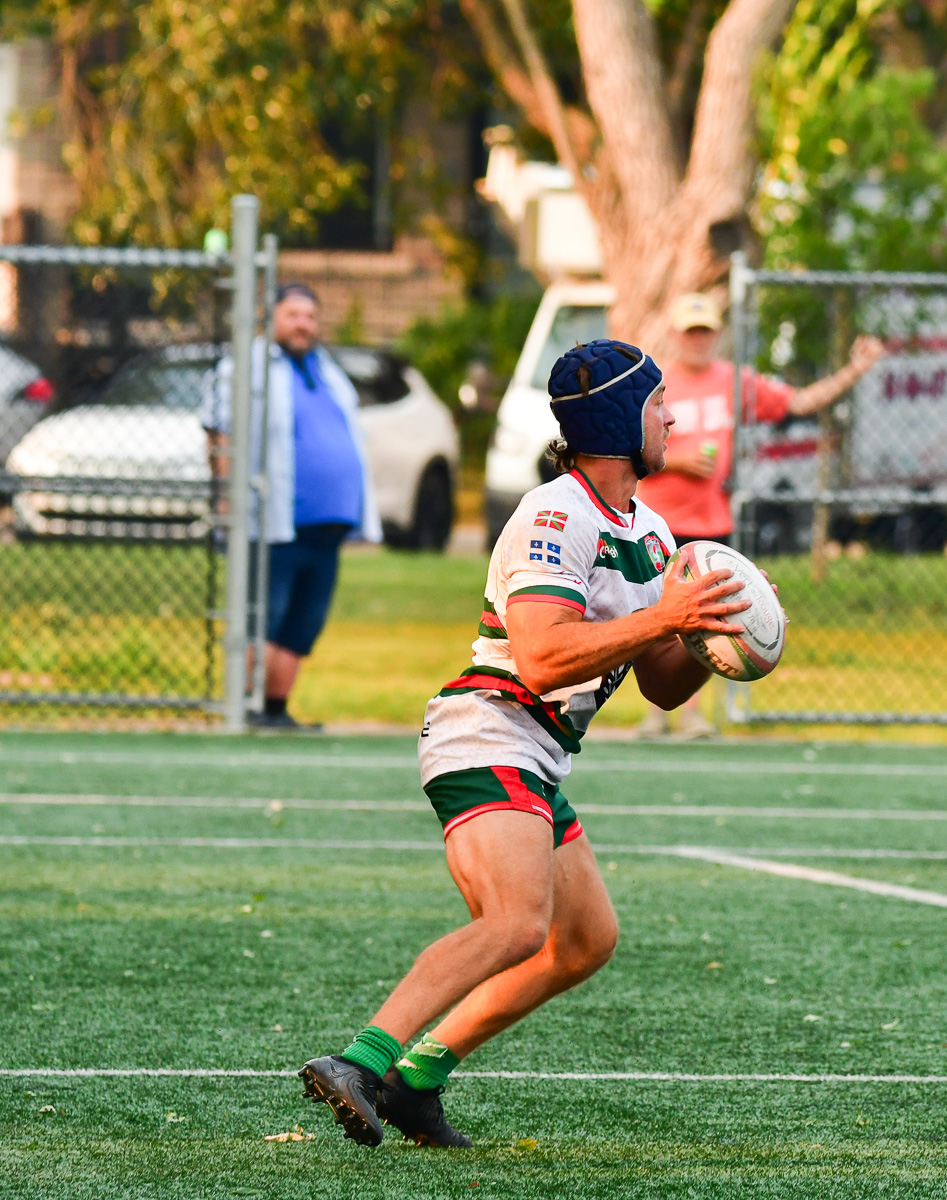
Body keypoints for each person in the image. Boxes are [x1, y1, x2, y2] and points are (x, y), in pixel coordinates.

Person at [298, 339, 751, 1148]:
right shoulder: (553, 514)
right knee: (516, 922)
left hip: (538, 751)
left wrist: (725, 638)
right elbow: (543, 658)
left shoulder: (649, 531)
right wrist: (668, 618)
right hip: (488, 729)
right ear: (619, 421)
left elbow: (662, 682)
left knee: (585, 941)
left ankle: (416, 1079)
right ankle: (360, 1062)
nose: (674, 417)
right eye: (658, 406)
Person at [633, 292, 883, 738]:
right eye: (690, 331)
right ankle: (655, 711)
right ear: (674, 334)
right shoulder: (655, 383)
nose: (698, 339)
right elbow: (627, 454)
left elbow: (799, 403)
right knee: (656, 618)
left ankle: (691, 713)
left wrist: (855, 371)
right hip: (659, 520)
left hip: (710, 524)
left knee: (707, 620)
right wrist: (679, 461)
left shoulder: (732, 381)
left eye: (705, 331)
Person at [205, 283, 382, 731]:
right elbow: (219, 428)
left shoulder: (326, 370)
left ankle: (276, 711)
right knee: (266, 615)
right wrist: (226, 490)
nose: (303, 324)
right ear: (272, 318)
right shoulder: (247, 367)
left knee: (303, 624)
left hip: (328, 527)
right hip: (273, 521)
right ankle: (245, 707)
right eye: (293, 314)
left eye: (310, 315)